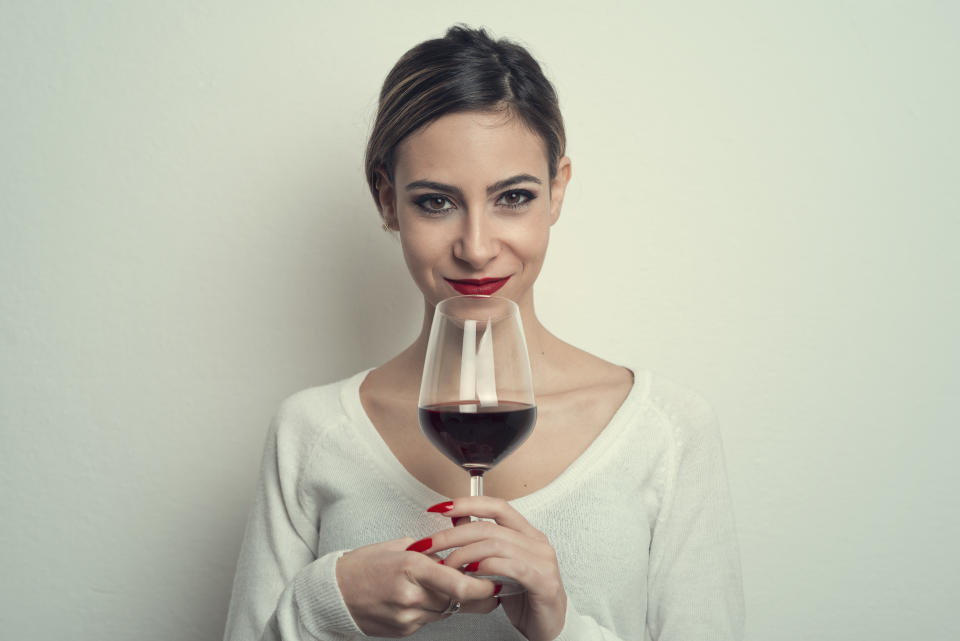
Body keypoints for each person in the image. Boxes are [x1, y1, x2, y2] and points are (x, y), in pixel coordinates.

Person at [223, 25, 744, 641]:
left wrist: (560, 624)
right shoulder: (308, 433)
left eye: (513, 197)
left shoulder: (666, 431)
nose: (475, 247)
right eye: (436, 203)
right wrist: (322, 603)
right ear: (387, 202)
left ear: (558, 191)